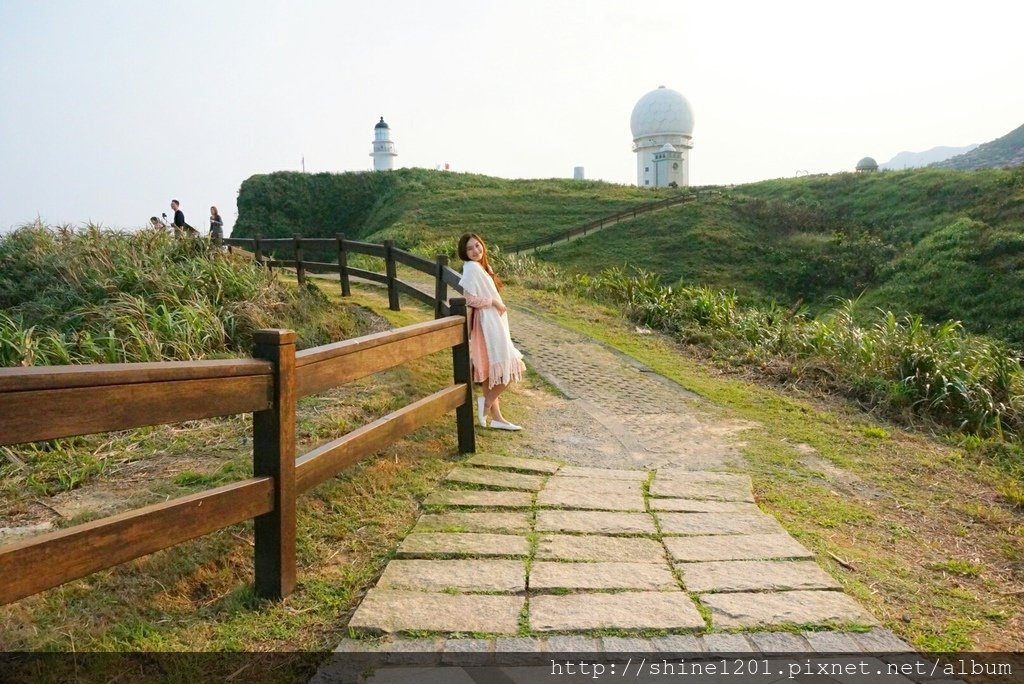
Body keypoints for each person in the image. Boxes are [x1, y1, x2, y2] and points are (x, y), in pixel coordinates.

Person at [458, 232, 526, 431]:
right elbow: (469, 299)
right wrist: (493, 302)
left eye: (477, 246)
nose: (475, 251)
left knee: (491, 374)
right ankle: (486, 403)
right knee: (512, 367)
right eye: (470, 248)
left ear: (482, 245)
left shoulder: (481, 267)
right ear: (464, 252)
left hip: (492, 323)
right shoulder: (471, 268)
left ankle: (497, 419)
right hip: (487, 325)